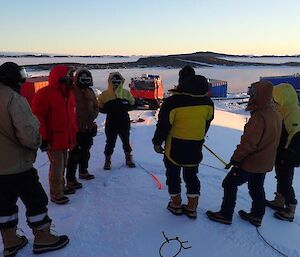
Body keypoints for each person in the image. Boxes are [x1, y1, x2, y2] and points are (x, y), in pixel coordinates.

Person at [0, 62, 69, 257]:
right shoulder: (13, 99)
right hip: (17, 165)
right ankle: (43, 238)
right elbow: (29, 133)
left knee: (4, 205)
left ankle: (10, 241)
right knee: (36, 200)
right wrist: (38, 140)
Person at [206, 81, 282, 227]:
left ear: (260, 95)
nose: (250, 95)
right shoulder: (275, 113)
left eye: (253, 92)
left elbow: (248, 144)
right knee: (256, 187)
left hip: (252, 162)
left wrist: (235, 159)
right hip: (265, 161)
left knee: (229, 183)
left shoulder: (259, 116)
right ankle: (256, 216)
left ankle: (225, 214)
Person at [152, 73, 214, 219]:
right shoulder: (208, 102)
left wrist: (157, 142)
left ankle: (176, 204)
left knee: (173, 175)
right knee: (191, 175)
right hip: (195, 146)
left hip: (175, 147)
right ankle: (192, 207)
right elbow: (207, 122)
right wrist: (199, 136)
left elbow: (163, 125)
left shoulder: (173, 102)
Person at [32, 65, 78, 204]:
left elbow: (72, 117)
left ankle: (61, 187)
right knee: (57, 167)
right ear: (60, 77)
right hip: (53, 138)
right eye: (69, 75)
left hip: (66, 137)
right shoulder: (44, 94)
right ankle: (56, 193)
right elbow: (38, 118)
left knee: (63, 164)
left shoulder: (69, 94)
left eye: (72, 75)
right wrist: (44, 138)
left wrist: (74, 134)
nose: (72, 78)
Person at [266, 83, 300, 222]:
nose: (274, 100)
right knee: (280, 176)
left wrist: (287, 152)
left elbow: (296, 135)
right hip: (282, 152)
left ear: (284, 97)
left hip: (290, 153)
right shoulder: (283, 109)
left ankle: (290, 208)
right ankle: (279, 201)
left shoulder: (293, 112)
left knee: (285, 179)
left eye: (276, 97)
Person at [65, 68, 99, 190]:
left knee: (86, 151)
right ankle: (70, 178)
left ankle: (83, 171)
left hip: (88, 127)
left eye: (87, 79)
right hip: (75, 128)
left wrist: (94, 115)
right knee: (74, 154)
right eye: (82, 79)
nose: (85, 81)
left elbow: (96, 106)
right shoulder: (71, 91)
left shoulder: (90, 92)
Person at [97, 72, 136, 170]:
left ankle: (128, 158)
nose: (116, 83)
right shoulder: (105, 94)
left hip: (124, 121)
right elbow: (99, 106)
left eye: (118, 81)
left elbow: (132, 104)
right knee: (110, 141)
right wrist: (107, 108)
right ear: (110, 82)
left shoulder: (126, 93)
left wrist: (126, 106)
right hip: (111, 121)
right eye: (114, 81)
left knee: (126, 140)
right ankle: (107, 160)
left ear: (121, 82)